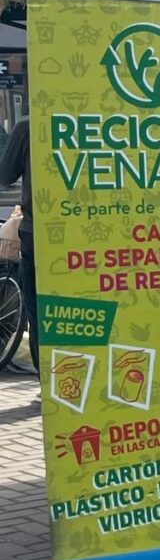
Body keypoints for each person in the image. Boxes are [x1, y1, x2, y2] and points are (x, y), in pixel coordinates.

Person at [0, 119, 37, 374]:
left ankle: (50, 385)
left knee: (42, 315)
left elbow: (5, 174)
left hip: (38, 237)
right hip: (92, 238)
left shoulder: (28, 127)